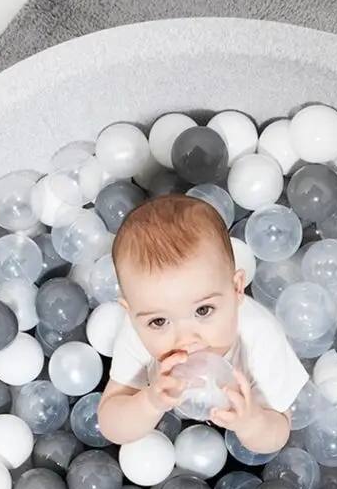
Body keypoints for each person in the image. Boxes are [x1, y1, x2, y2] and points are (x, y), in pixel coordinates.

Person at [97, 194, 308, 452]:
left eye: (204, 310)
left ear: (236, 289)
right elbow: (110, 423)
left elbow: (278, 433)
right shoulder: (138, 331)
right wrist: (149, 403)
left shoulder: (260, 338)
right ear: (131, 313)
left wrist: (251, 422)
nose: (186, 339)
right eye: (160, 321)